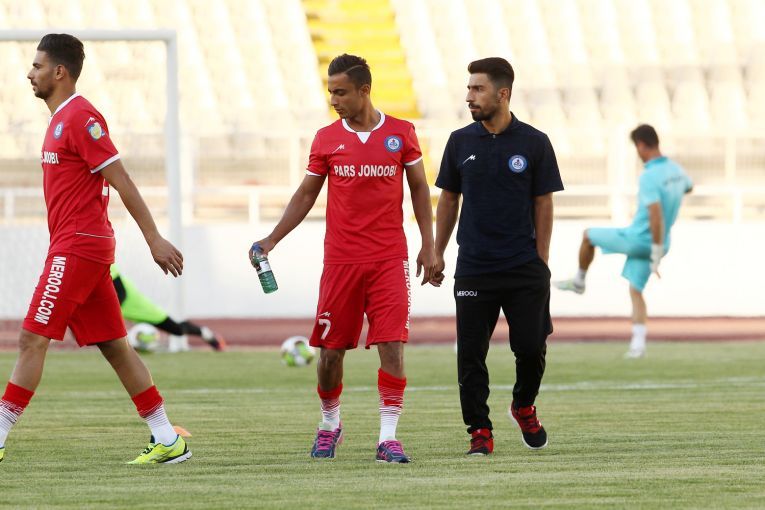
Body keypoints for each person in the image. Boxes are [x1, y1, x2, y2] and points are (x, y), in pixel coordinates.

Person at [0, 34, 190, 465]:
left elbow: (121, 180)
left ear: (59, 72)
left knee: (32, 338)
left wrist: (154, 238)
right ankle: (167, 439)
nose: (30, 73)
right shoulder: (59, 119)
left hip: (78, 246)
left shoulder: (82, 117)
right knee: (115, 346)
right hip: (81, 246)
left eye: (37, 66)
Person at [251, 54, 436, 463]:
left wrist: (430, 243)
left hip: (389, 259)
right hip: (341, 261)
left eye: (340, 92)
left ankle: (388, 438)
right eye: (330, 91)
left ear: (364, 90)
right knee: (331, 353)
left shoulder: (402, 133)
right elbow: (306, 194)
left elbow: (420, 189)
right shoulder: (326, 139)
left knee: (392, 345)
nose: (333, 99)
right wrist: (272, 239)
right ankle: (329, 424)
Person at [431, 57, 563, 455]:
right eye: (469, 88)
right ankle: (479, 431)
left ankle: (523, 405)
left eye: (478, 89)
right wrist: (437, 251)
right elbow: (448, 199)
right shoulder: (460, 141)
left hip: (524, 266)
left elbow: (543, 203)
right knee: (471, 355)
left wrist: (541, 260)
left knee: (531, 348)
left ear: (502, 94)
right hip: (474, 267)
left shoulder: (535, 142)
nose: (469, 96)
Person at [555, 124, 693, 358]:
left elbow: (655, 215)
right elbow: (688, 187)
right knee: (636, 290)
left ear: (641, 145)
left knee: (588, 235)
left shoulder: (649, 176)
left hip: (640, 240)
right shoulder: (676, 170)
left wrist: (655, 254)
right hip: (662, 243)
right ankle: (638, 346)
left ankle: (578, 281)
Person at [111, 265, 226, 351]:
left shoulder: (108, 263)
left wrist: (111, 314)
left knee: (178, 330)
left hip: (139, 308)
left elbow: (121, 293)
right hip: (120, 310)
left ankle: (205, 333)